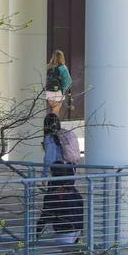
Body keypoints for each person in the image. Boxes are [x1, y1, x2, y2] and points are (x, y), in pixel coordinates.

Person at [37, 104, 83, 245]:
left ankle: (36, 232)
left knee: (52, 198)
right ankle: (76, 233)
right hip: (69, 169)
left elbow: (49, 160)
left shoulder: (50, 138)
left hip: (58, 171)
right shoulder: (66, 134)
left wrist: (44, 176)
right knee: (68, 195)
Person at [44, 50, 72, 116]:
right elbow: (68, 82)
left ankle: (52, 123)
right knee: (56, 111)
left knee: (54, 109)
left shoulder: (48, 67)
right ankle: (53, 124)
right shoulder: (63, 68)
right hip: (58, 92)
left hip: (48, 92)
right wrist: (63, 90)